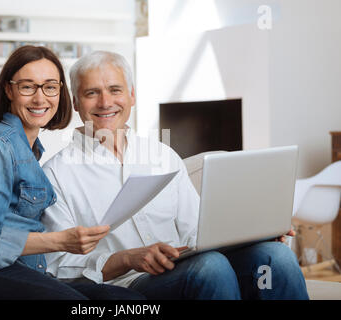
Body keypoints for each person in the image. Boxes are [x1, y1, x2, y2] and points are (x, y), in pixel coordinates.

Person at [41, 50, 310, 300]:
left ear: (132, 95)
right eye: (92, 93)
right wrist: (126, 258)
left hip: (185, 265)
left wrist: (254, 232)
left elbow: (196, 234)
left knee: (276, 257)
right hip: (128, 285)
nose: (106, 102)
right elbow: (56, 266)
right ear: (76, 102)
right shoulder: (56, 174)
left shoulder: (162, 155)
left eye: (115, 90)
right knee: (210, 267)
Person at [0, 46, 145, 300]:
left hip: (20, 270)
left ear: (60, 92)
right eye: (28, 87)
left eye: (50, 87)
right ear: (9, 90)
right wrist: (59, 241)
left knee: (127, 300)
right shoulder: (1, 146)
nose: (40, 99)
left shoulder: (32, 150)